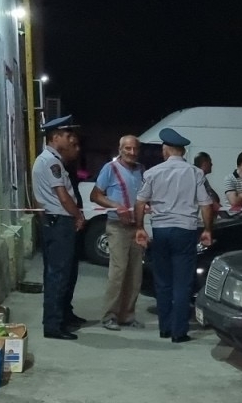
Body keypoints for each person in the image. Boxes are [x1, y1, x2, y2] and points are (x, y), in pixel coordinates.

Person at [135, 128, 215, 343]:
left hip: (161, 231)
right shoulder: (195, 173)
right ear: (183, 152)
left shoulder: (152, 173)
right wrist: (208, 230)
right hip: (185, 231)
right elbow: (206, 204)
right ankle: (179, 332)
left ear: (165, 150)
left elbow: (140, 202)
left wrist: (140, 228)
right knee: (182, 282)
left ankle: (165, 327)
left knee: (162, 281)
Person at [32, 115, 90, 340]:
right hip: (60, 222)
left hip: (55, 221)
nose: (71, 139)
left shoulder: (49, 159)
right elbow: (63, 196)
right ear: (55, 137)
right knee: (58, 275)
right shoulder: (51, 162)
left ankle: (63, 316)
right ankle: (54, 324)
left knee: (63, 272)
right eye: (67, 135)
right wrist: (78, 215)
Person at [90, 135, 146, 331]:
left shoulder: (141, 170)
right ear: (120, 149)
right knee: (118, 272)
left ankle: (127, 315)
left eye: (135, 149)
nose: (132, 152)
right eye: (128, 148)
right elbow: (95, 195)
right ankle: (110, 316)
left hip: (136, 227)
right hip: (117, 227)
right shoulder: (110, 168)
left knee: (135, 274)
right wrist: (116, 206)